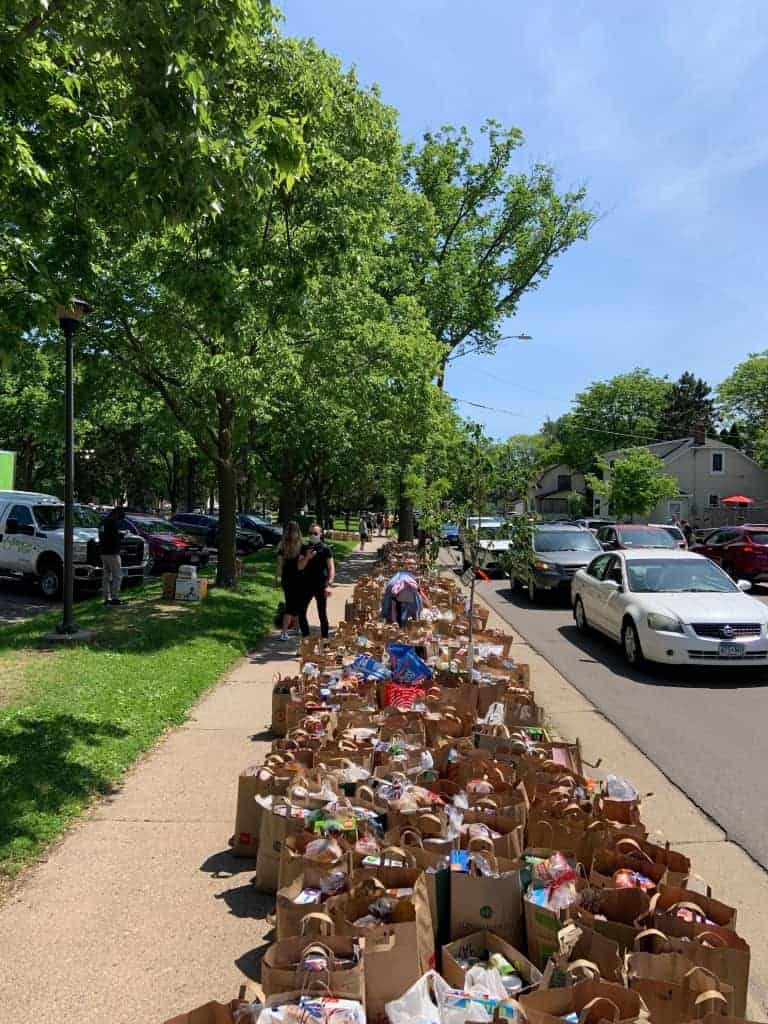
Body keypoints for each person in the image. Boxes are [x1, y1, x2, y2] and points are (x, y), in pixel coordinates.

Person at [297, 524, 335, 639]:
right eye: (310, 533)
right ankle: (306, 638)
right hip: (306, 585)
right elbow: (299, 566)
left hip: (321, 585)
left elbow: (331, 568)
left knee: (322, 614)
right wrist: (307, 557)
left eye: (315, 533)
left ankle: (325, 639)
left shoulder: (325, 548)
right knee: (301, 612)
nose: (312, 536)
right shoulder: (304, 548)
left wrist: (329, 584)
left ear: (320, 534)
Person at [274, 521, 303, 641]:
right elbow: (303, 564)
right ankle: (284, 632)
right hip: (297, 578)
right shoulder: (301, 545)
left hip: (287, 578)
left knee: (293, 603)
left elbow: (279, 564)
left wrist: (276, 578)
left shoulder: (282, 545)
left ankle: (296, 628)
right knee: (292, 605)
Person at [381, 557, 430, 626]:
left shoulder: (398, 575)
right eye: (411, 564)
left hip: (394, 597)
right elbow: (418, 591)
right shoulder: (410, 578)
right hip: (402, 597)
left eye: (413, 564)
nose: (412, 566)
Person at [99, 506, 125, 606]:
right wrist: (123, 535)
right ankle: (115, 598)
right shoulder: (113, 523)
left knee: (106, 576)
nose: (119, 521)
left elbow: (103, 535)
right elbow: (115, 537)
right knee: (117, 576)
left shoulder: (103, 522)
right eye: (120, 518)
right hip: (112, 553)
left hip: (103, 552)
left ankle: (106, 598)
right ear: (117, 515)